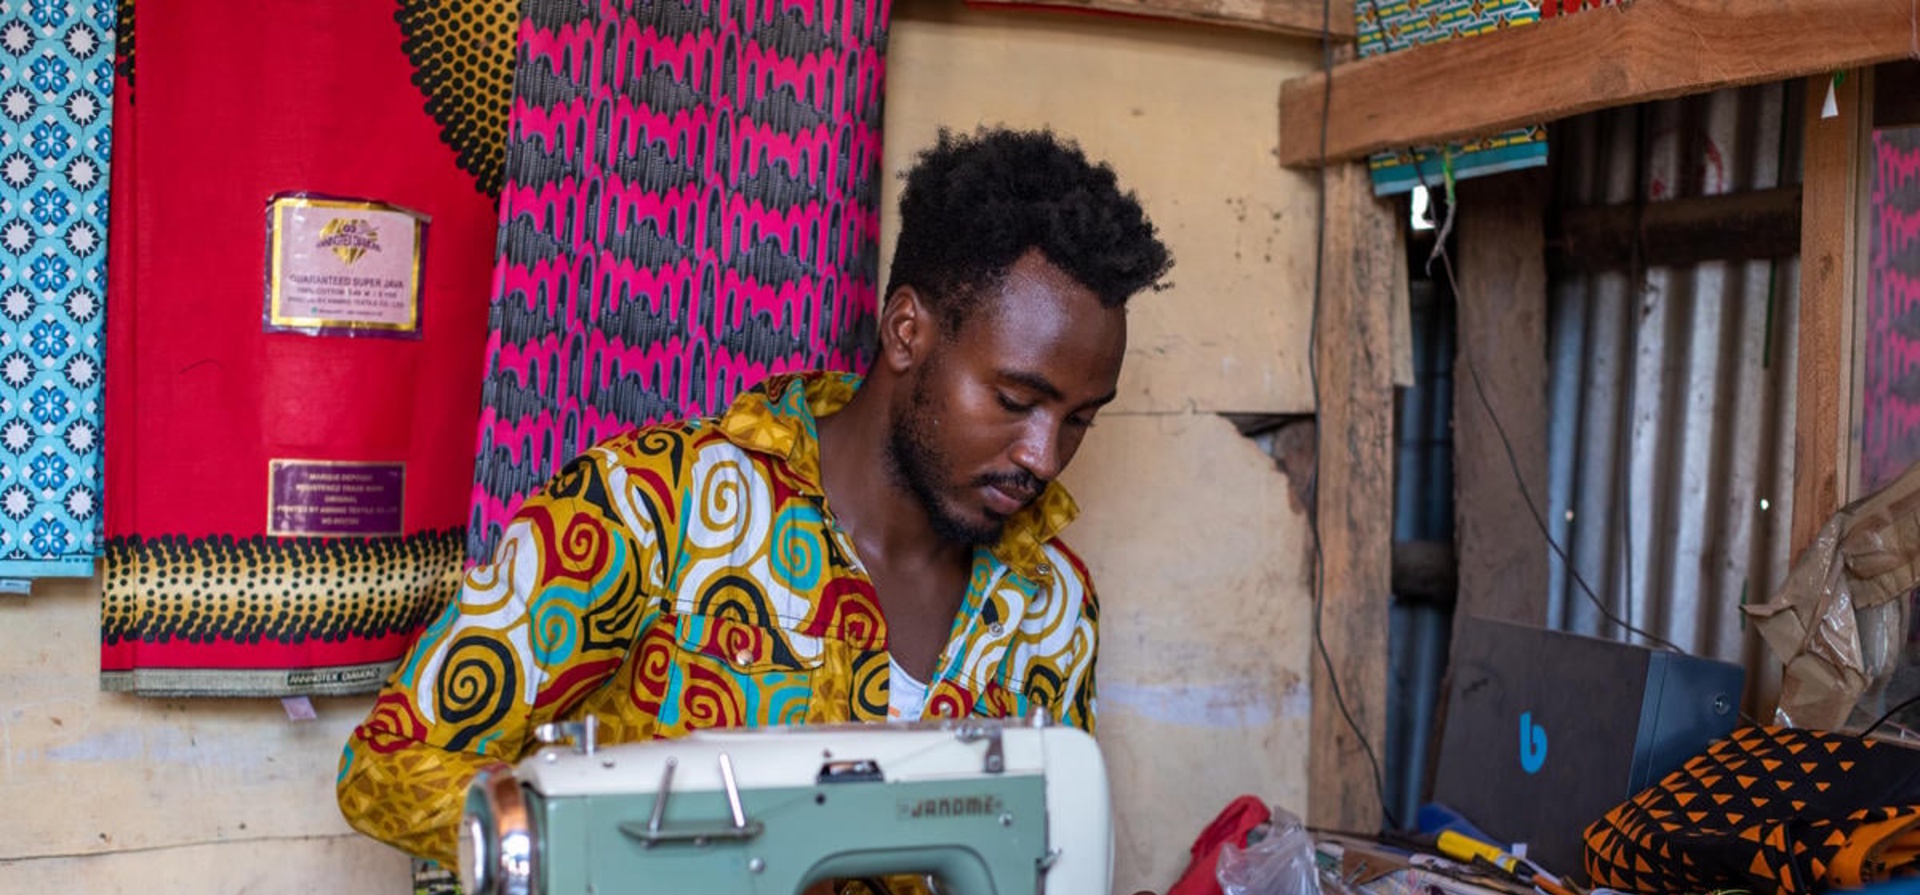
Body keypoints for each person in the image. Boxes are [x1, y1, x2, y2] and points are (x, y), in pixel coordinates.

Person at [335, 125, 1174, 869]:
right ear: (907, 332)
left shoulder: (1051, 604)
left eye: (1079, 420)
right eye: (1016, 399)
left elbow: (1046, 851)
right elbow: (393, 763)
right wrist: (611, 851)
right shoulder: (651, 508)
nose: (1042, 455)